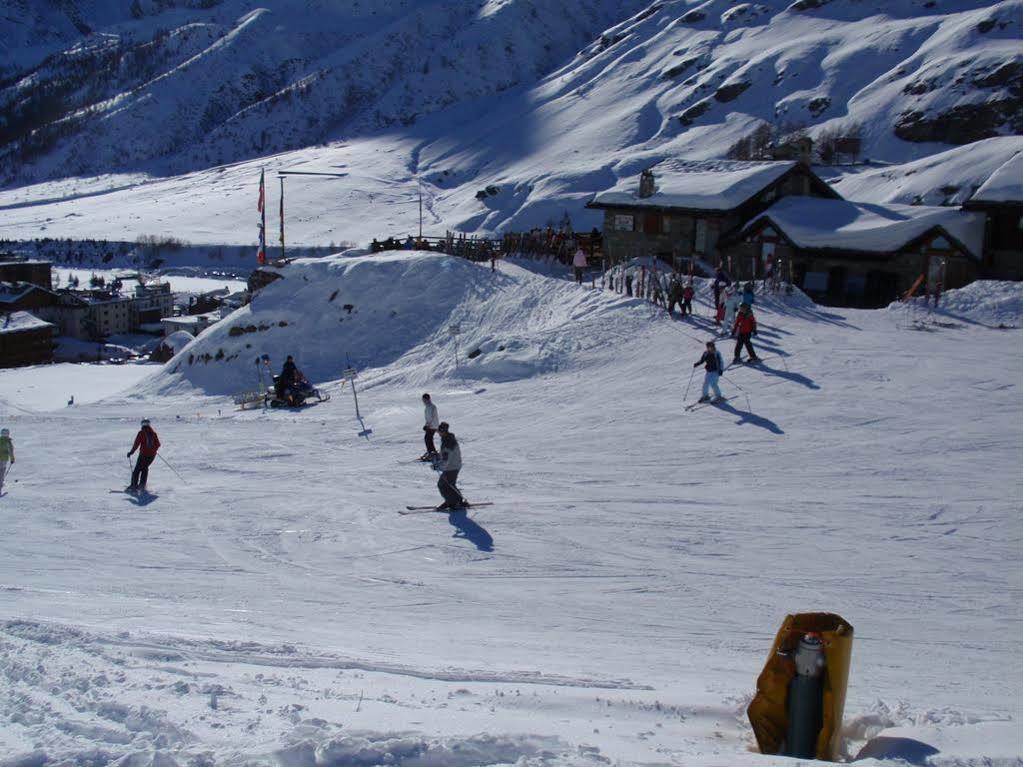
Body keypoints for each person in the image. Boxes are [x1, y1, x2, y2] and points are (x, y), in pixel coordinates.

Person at [435, 422, 466, 510]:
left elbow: (446, 458)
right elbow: (446, 455)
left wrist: (438, 467)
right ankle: (459, 500)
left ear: (443, 431)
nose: (438, 433)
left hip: (451, 467)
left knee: (442, 484)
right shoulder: (448, 439)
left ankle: (450, 502)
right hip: (455, 465)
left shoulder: (447, 442)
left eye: (439, 432)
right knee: (450, 484)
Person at [127, 419, 161, 492]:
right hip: (152, 456)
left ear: (142, 424)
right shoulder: (153, 433)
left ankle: (134, 485)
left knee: (137, 470)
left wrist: (131, 452)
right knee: (144, 469)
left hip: (143, 455)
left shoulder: (141, 433)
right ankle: (142, 485)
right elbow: (158, 444)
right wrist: (153, 450)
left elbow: (136, 444)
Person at [421, 393, 440, 460]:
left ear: (427, 399)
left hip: (432, 426)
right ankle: (432, 452)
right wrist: (426, 425)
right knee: (428, 438)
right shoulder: (428, 407)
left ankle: (431, 453)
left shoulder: (431, 407)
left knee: (427, 438)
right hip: (431, 425)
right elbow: (427, 418)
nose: (423, 401)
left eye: (424, 399)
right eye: (423, 400)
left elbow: (431, 418)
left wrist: (428, 425)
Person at [0, 428, 14, 494]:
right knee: (1, 474)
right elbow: (10, 451)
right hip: (3, 461)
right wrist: (12, 459)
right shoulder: (8, 442)